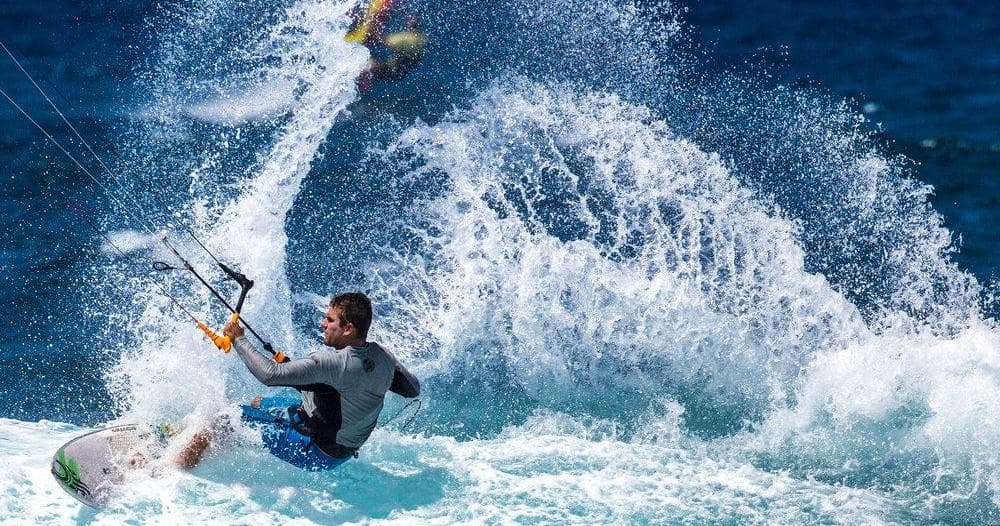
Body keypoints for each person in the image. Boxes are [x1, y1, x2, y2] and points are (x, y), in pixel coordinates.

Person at [176, 292, 420, 470]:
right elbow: (411, 389)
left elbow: (269, 375)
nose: (323, 324)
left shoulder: (331, 364)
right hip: (344, 448)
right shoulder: (383, 356)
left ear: (348, 329)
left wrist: (238, 338)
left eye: (330, 320)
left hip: (316, 452)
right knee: (258, 403)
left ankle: (174, 470)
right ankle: (191, 435)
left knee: (221, 420)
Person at [357, 14, 428, 92]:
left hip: (393, 70)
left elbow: (384, 40)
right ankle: (364, 80)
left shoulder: (408, 39)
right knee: (370, 66)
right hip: (400, 71)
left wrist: (372, 31)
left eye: (410, 19)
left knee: (368, 65)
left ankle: (362, 83)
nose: (407, 20)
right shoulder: (422, 38)